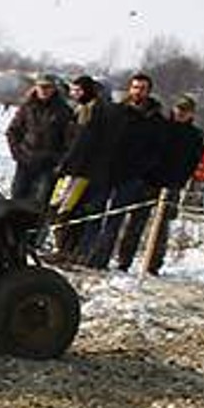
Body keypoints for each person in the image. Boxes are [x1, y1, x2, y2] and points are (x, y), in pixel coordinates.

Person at [86, 72, 164, 270]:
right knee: (94, 213)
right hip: (105, 171)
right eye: (135, 87)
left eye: (143, 88)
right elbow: (99, 139)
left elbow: (156, 151)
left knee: (115, 219)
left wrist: (141, 170)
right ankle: (85, 253)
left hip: (131, 176)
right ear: (130, 89)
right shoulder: (115, 111)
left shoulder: (155, 119)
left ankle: (100, 259)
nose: (138, 91)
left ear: (149, 91)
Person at [47, 74, 124, 262]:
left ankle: (66, 251)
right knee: (58, 208)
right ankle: (63, 248)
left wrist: (66, 165)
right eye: (73, 90)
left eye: (79, 90)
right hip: (74, 168)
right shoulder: (81, 109)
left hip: (79, 171)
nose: (75, 94)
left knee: (65, 210)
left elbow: (82, 143)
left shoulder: (94, 111)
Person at [142, 95, 204, 275]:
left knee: (162, 226)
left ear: (191, 114)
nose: (180, 113)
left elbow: (193, 162)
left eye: (185, 110)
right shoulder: (162, 127)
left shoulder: (195, 136)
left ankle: (153, 264)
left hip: (172, 184)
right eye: (178, 109)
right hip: (150, 179)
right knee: (137, 220)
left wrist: (180, 181)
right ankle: (126, 259)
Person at [4, 72, 74, 205]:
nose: (44, 90)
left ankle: (33, 226)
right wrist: (17, 153)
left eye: (48, 87)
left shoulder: (64, 111)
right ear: (35, 87)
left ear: (54, 89)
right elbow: (12, 131)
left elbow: (69, 142)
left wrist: (58, 161)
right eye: (41, 86)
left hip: (48, 165)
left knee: (39, 203)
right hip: (25, 161)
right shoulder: (27, 107)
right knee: (17, 197)